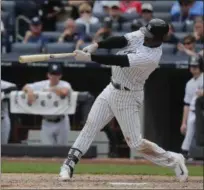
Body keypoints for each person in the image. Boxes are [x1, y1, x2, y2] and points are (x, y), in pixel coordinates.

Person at [59, 18, 188, 182]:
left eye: (149, 35)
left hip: (128, 96)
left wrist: (91, 58)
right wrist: (97, 45)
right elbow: (121, 40)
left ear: (159, 38)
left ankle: (174, 159)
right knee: (90, 126)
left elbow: (120, 61)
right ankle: (68, 165)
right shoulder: (142, 35)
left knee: (135, 143)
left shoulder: (151, 57)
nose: (145, 36)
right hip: (111, 89)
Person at [23, 64, 71, 145]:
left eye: (56, 74)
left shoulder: (64, 84)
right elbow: (26, 86)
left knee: (62, 151)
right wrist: (30, 91)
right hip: (46, 122)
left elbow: (64, 92)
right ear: (48, 75)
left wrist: (50, 89)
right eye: (52, 74)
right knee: (47, 152)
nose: (54, 77)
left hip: (61, 121)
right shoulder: (43, 84)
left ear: (60, 76)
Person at [180, 55, 204, 159]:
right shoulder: (189, 84)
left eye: (196, 66)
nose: (194, 69)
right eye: (192, 66)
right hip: (193, 111)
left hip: (202, 110)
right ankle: (184, 154)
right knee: (189, 133)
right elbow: (187, 104)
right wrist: (183, 122)